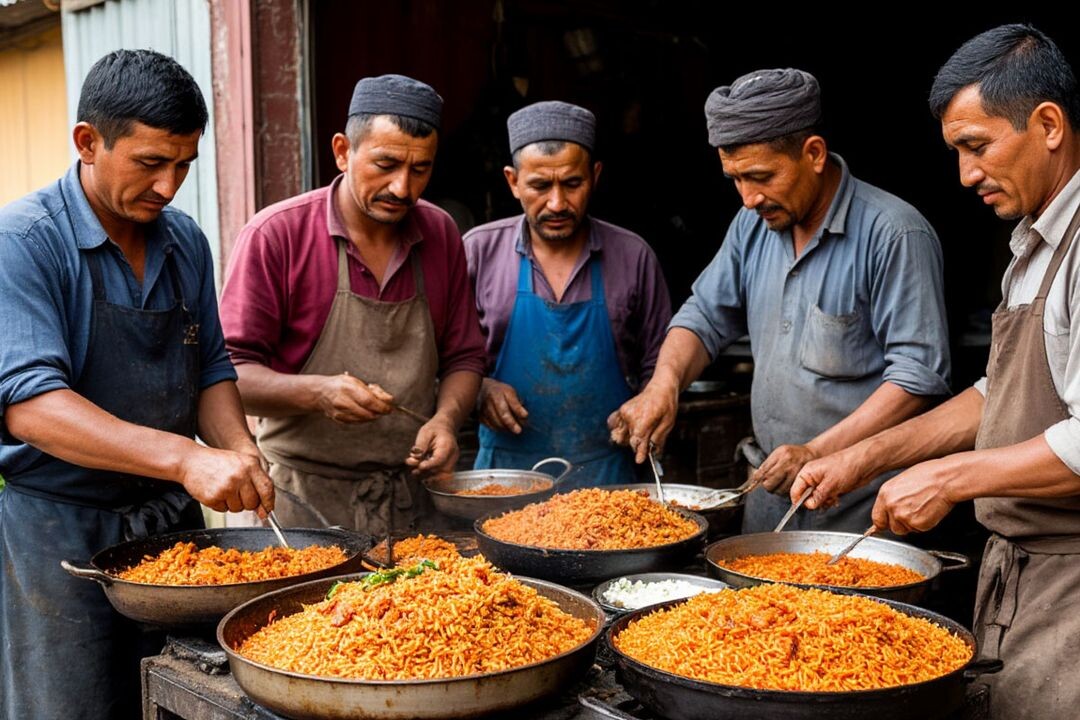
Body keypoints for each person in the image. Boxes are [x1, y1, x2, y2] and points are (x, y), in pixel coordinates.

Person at [791, 25, 1080, 719]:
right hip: (1020, 574)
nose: (965, 175)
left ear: (1047, 124)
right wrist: (864, 458)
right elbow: (997, 395)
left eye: (977, 147)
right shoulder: (1035, 244)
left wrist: (948, 478)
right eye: (957, 152)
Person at [0, 50, 275, 720]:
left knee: (184, 696)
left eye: (183, 163)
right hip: (59, 538)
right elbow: (32, 407)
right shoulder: (25, 241)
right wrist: (186, 457)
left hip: (171, 535)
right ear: (88, 143)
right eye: (150, 162)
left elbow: (209, 366)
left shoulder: (184, 241)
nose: (169, 186)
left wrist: (238, 450)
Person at [608, 68, 951, 532]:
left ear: (813, 153)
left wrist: (818, 451)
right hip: (770, 495)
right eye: (735, 179)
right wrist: (662, 386)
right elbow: (705, 315)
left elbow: (918, 378)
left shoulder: (894, 233)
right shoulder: (752, 226)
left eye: (761, 176)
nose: (748, 198)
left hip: (863, 509)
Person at [219, 75, 486, 534]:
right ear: (343, 151)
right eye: (385, 164)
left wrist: (445, 420)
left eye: (420, 169)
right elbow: (226, 376)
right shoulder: (277, 236)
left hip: (411, 503)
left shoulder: (440, 233)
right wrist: (317, 393)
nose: (402, 188)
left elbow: (464, 356)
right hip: (303, 504)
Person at [463, 101, 672, 487]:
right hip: (504, 482)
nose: (557, 203)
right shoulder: (477, 253)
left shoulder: (633, 256)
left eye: (572, 184)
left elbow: (661, 367)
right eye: (540, 186)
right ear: (512, 181)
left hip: (611, 482)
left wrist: (649, 406)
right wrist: (476, 388)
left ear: (594, 176)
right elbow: (440, 360)